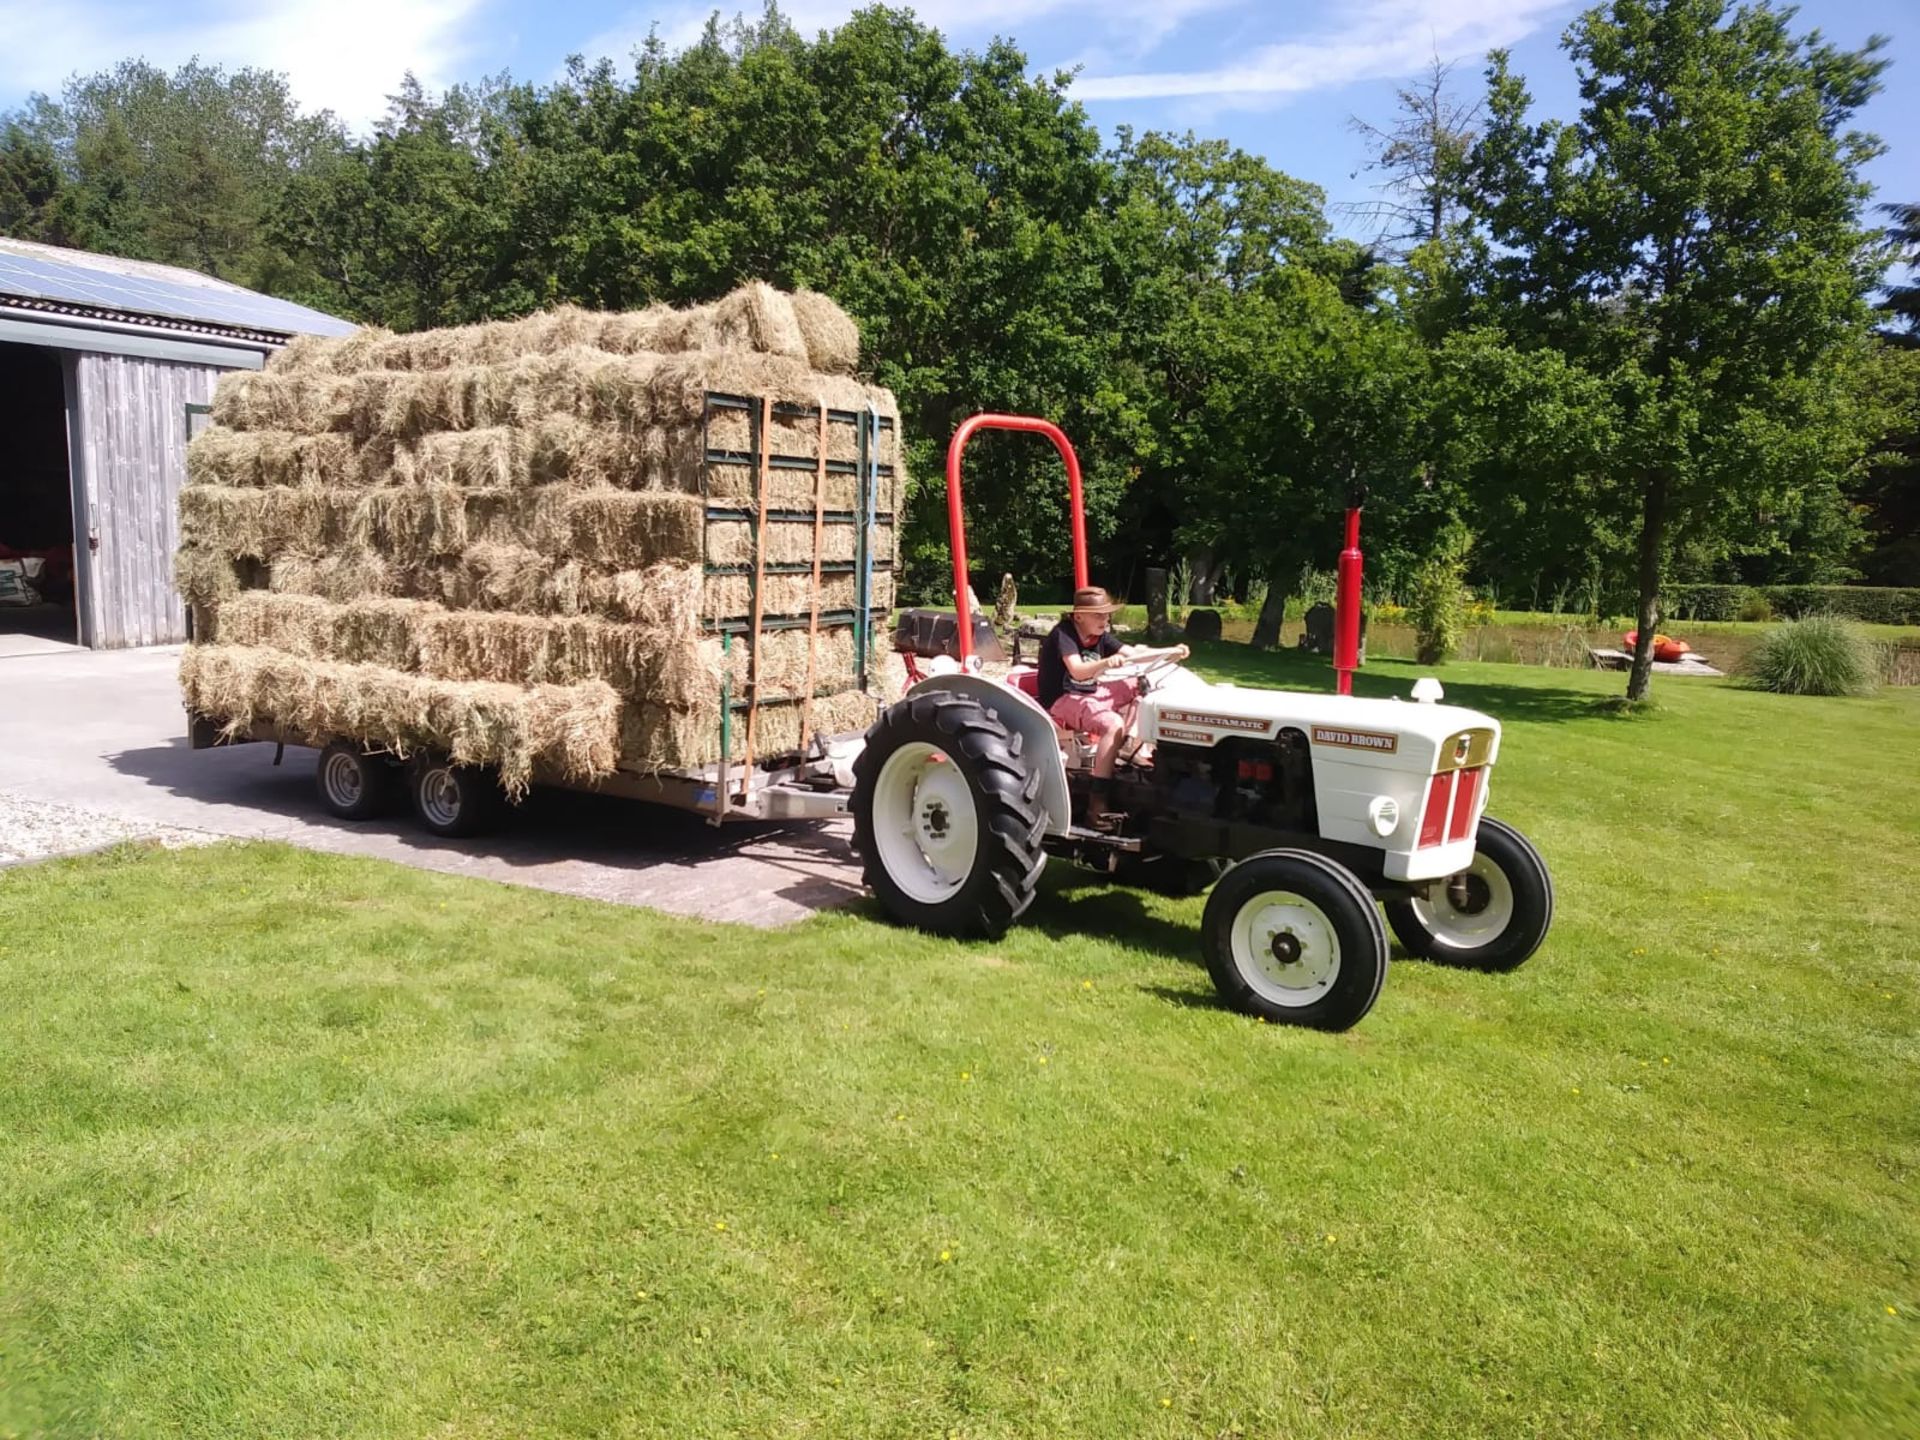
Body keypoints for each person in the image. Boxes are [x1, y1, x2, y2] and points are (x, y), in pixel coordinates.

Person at [1036, 586, 1188, 822]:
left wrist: (1170, 652)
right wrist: (1106, 663)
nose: (1105, 619)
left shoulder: (1101, 635)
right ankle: (1097, 803)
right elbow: (1077, 670)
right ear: (1078, 616)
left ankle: (1128, 747)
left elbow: (1132, 652)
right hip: (1062, 698)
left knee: (1141, 684)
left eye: (1107, 614)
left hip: (1088, 693)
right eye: (1098, 615)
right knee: (1111, 723)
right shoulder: (1063, 634)